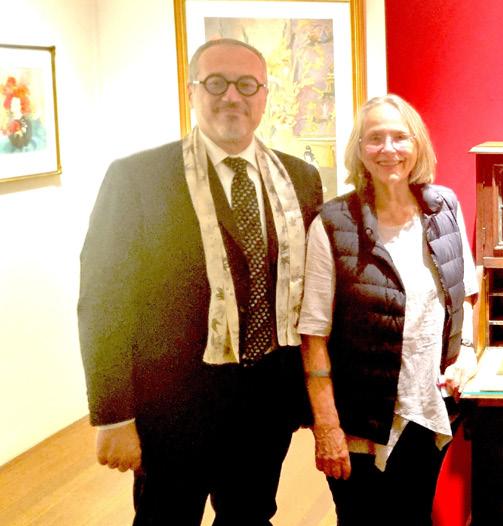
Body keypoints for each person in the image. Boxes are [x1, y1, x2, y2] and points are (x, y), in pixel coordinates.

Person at [78, 38, 323, 525]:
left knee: (251, 516)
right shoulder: (138, 179)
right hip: (173, 408)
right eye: (216, 83)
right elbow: (103, 300)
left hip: (263, 406)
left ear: (264, 96)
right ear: (191, 91)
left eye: (246, 85)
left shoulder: (300, 178)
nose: (232, 96)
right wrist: (114, 415)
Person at [297, 94, 479, 526]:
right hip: (359, 421)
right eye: (375, 138)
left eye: (400, 137)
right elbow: (313, 334)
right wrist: (327, 427)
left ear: (417, 144)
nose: (389, 149)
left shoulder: (444, 207)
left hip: (428, 409)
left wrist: (467, 353)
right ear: (359, 149)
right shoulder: (332, 223)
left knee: (415, 516)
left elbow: (465, 295)